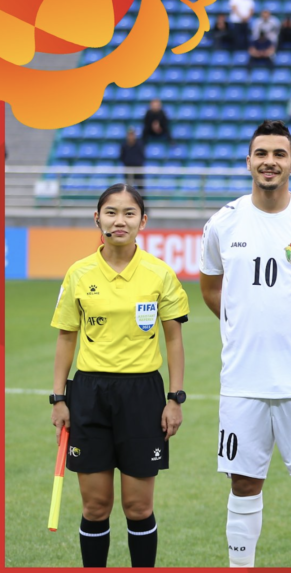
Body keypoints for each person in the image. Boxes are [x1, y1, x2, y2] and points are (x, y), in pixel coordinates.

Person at [199, 120, 291, 568]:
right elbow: (209, 288)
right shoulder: (222, 222)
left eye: (279, 154)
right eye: (261, 153)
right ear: (248, 161)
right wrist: (241, 323)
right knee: (243, 484)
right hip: (243, 379)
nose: (269, 162)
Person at [50, 183, 189, 567]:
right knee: (95, 507)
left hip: (143, 395)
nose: (119, 220)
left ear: (142, 221)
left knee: (138, 506)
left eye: (129, 213)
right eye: (111, 212)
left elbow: (174, 340)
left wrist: (174, 399)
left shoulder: (160, 274)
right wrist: (59, 398)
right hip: (90, 393)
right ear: (97, 218)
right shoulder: (78, 273)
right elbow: (66, 338)